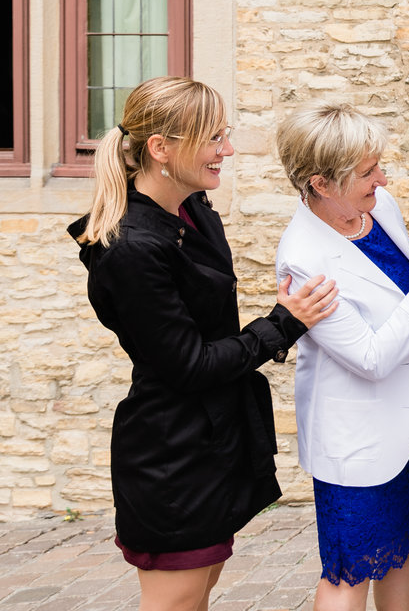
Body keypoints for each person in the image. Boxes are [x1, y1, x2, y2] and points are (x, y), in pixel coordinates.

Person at [68, 76, 338, 611]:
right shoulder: (132, 249)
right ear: (161, 149)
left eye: (225, 134)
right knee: (177, 602)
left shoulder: (192, 212)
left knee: (199, 593)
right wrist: (283, 323)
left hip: (212, 441)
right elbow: (188, 365)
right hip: (173, 456)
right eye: (214, 139)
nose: (228, 150)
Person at [274, 103, 409, 611]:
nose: (381, 180)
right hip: (355, 443)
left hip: (407, 429)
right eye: (366, 172)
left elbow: (404, 304)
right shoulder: (304, 260)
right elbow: (371, 357)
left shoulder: (378, 209)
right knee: (350, 572)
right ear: (320, 183)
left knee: (404, 553)